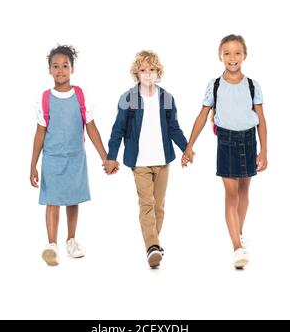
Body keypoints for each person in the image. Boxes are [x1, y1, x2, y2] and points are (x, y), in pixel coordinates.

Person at [182, 34, 267, 268]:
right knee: (231, 194)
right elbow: (202, 116)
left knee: (244, 190)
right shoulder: (215, 84)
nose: (232, 58)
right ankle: (237, 248)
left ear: (245, 55)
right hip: (227, 141)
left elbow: (261, 119)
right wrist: (189, 146)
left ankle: (238, 233)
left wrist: (264, 151)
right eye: (227, 53)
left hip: (249, 141)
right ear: (220, 56)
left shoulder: (252, 85)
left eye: (237, 53)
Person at [30, 45, 117, 266]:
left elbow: (92, 128)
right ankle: (52, 245)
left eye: (65, 66)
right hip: (51, 158)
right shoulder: (44, 100)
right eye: (55, 66)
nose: (60, 70)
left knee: (72, 199)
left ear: (72, 68)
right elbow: (39, 134)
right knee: (52, 200)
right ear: (49, 70)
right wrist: (33, 165)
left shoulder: (81, 95)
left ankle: (71, 240)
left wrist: (105, 157)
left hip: (76, 157)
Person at [104, 50, 187, 268]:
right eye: (143, 70)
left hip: (162, 160)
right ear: (136, 73)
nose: (148, 74)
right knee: (147, 204)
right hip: (139, 161)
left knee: (159, 206)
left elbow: (174, 127)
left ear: (158, 72)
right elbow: (117, 130)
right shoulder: (128, 98)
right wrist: (111, 157)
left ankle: (154, 244)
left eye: (152, 70)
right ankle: (151, 246)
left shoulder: (166, 98)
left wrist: (186, 149)